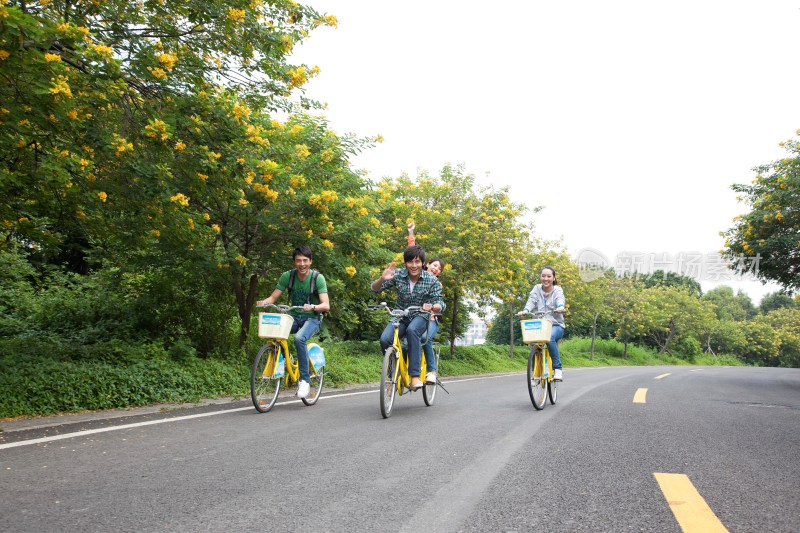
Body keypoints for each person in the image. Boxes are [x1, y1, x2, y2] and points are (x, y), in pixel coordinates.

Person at [256, 246, 330, 399]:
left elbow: (326, 305)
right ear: (294, 262)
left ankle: (304, 380)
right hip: (294, 317)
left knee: (299, 338)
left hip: (312, 318)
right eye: (298, 261)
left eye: (305, 260)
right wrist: (264, 302)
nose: (302, 264)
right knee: (276, 334)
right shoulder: (287, 276)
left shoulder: (318, 278)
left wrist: (313, 307)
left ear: (310, 261)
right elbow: (273, 297)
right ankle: (285, 359)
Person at [371, 245, 445, 391]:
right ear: (405, 263)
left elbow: (441, 303)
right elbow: (374, 289)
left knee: (413, 331)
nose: (413, 265)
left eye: (417, 262)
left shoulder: (431, 280)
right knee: (385, 339)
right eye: (410, 262)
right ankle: (394, 374)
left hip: (420, 315)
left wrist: (433, 306)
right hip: (400, 315)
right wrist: (381, 278)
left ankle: (414, 376)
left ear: (423, 263)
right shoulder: (398, 274)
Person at [406, 222, 444, 384]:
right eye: (435, 265)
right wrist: (411, 232)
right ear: (426, 264)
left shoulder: (437, 284)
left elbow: (440, 303)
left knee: (424, 337)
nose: (436, 269)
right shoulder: (414, 273)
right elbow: (411, 253)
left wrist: (435, 307)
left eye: (439, 269)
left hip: (429, 320)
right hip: (412, 317)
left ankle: (431, 371)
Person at [516, 266, 566, 381]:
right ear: (540, 277)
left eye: (549, 276)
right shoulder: (537, 288)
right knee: (534, 343)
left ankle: (558, 369)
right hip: (541, 324)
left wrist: (560, 307)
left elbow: (560, 299)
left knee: (550, 337)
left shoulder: (557, 289)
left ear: (553, 278)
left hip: (556, 325)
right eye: (543, 276)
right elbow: (531, 301)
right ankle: (536, 372)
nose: (546, 278)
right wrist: (526, 311)